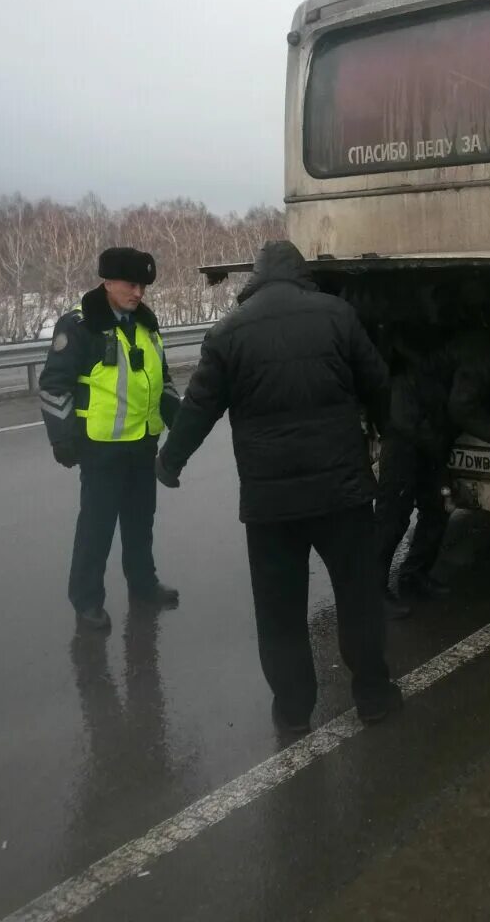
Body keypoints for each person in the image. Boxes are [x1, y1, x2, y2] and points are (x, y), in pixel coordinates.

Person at [155, 240, 401, 735]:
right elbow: (377, 384)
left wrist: (170, 460)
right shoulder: (338, 315)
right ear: (300, 274)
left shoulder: (227, 334)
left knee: (280, 612)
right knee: (358, 598)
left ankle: (292, 710)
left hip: (271, 505)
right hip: (343, 494)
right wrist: (388, 435)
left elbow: (199, 407)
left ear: (256, 278)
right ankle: (373, 695)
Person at [39, 248, 181, 632]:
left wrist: (179, 420)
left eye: (144, 286)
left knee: (140, 522)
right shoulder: (80, 325)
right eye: (132, 284)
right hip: (100, 447)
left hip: (141, 445)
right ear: (108, 282)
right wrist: (63, 438)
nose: (139, 293)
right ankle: (86, 600)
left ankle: (143, 585)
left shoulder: (147, 325)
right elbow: (53, 387)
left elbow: (161, 380)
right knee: (96, 527)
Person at [376, 327, 490, 615]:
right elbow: (461, 407)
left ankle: (414, 576)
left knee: (437, 506)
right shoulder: (484, 356)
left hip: (431, 428)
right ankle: (373, 591)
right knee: (392, 514)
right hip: (406, 425)